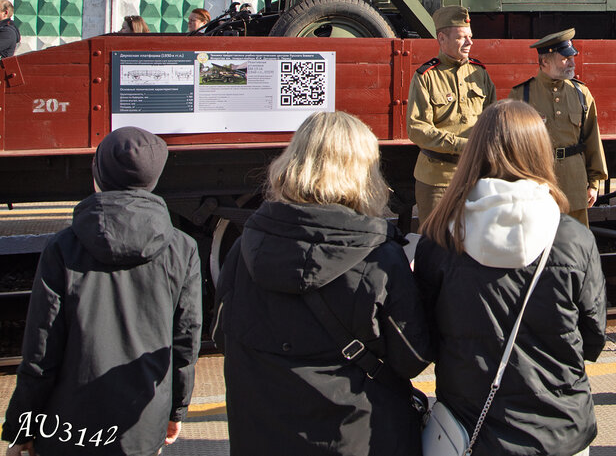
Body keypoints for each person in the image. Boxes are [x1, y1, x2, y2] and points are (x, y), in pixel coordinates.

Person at [214, 111, 431, 456]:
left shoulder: (244, 247)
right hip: (357, 436)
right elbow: (412, 359)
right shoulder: (380, 258)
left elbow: (223, 335)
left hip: (261, 435)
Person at [415, 100, 606, 456]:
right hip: (560, 430)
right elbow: (593, 338)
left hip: (472, 429)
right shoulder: (573, 238)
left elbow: (422, 342)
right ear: (540, 152)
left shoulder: (440, 237)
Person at [2, 127, 202, 456]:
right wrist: (175, 410)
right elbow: (185, 343)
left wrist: (22, 429)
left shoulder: (63, 247)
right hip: (140, 425)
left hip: (68, 428)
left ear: (98, 176)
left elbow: (41, 350)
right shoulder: (183, 249)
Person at [405, 4, 496, 229]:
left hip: (474, 177)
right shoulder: (426, 76)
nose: (470, 42)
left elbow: (493, 119)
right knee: (436, 243)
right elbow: (417, 129)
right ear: (442, 38)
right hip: (436, 180)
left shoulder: (480, 73)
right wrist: (462, 146)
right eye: (461, 37)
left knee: (474, 242)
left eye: (470, 36)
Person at [509, 28, 608, 226]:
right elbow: (511, 148)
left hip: (574, 182)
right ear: (545, 61)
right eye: (565, 58)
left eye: (572, 57)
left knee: (575, 245)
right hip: (538, 184)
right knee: (539, 244)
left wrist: (594, 184)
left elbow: (592, 141)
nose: (572, 63)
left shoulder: (581, 94)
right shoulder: (522, 95)